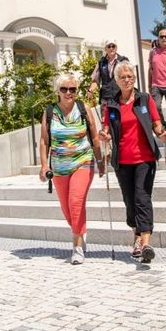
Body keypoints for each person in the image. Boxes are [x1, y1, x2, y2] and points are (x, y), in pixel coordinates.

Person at [99, 61, 166, 264]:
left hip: (145, 159)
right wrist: (104, 136)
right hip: (122, 161)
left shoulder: (144, 99)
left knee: (142, 198)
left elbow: (156, 123)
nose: (127, 80)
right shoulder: (112, 105)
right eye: (123, 77)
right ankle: (137, 238)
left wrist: (161, 133)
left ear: (134, 79)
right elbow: (106, 129)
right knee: (130, 202)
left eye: (130, 76)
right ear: (117, 80)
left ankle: (146, 244)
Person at [39, 73, 105, 265]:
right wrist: (44, 165)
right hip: (59, 167)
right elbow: (44, 141)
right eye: (64, 89)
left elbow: (94, 136)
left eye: (73, 89)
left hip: (82, 162)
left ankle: (77, 247)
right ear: (58, 91)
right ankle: (80, 232)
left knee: (76, 202)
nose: (69, 93)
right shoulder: (50, 112)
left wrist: (99, 160)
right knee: (67, 209)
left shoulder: (84, 108)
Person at [88, 38, 128, 105]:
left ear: (116, 48)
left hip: (121, 98)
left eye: (113, 46)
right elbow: (95, 80)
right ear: (105, 49)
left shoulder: (123, 61)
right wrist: (90, 90)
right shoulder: (101, 62)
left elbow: (128, 77)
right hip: (105, 99)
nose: (111, 48)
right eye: (109, 46)